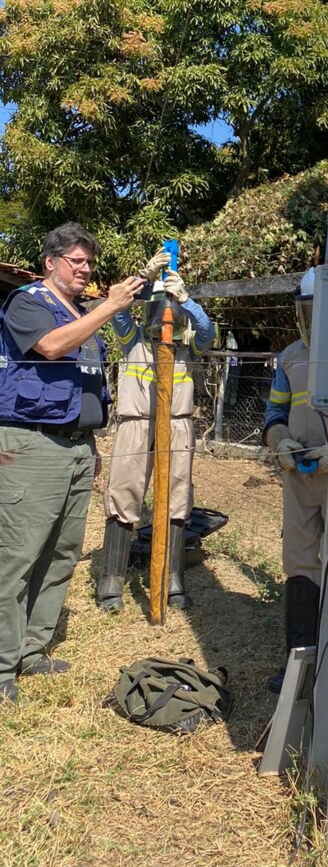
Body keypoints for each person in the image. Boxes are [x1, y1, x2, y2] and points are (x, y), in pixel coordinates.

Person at [0, 223, 145, 705]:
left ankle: (33, 648)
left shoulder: (81, 312)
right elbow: (51, 348)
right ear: (50, 262)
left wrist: (92, 444)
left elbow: (86, 385)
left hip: (77, 447)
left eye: (88, 263)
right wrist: (111, 306)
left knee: (62, 553)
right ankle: (2, 667)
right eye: (75, 262)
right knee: (17, 556)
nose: (85, 270)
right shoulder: (28, 304)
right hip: (31, 446)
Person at [96, 255, 215, 613]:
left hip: (178, 425)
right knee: (123, 495)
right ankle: (112, 580)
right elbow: (115, 309)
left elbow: (207, 332)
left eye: (171, 308)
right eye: (158, 306)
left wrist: (187, 300)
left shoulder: (188, 346)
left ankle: (171, 578)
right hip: (136, 423)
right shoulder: (132, 339)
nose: (164, 315)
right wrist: (142, 278)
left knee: (178, 496)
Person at [262, 267, 328, 692]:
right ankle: (299, 664)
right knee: (299, 562)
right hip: (299, 475)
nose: (311, 320)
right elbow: (274, 414)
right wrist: (281, 443)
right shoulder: (290, 357)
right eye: (306, 311)